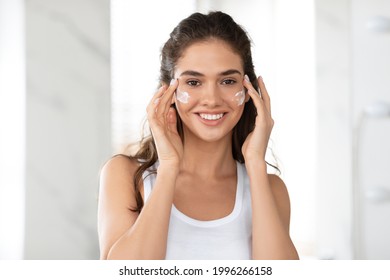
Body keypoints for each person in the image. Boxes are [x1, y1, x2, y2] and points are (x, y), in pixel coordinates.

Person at [98, 11, 299, 260]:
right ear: (167, 91)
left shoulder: (271, 188)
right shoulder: (126, 176)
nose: (212, 100)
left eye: (227, 81)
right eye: (193, 82)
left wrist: (256, 165)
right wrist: (169, 166)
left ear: (248, 92)